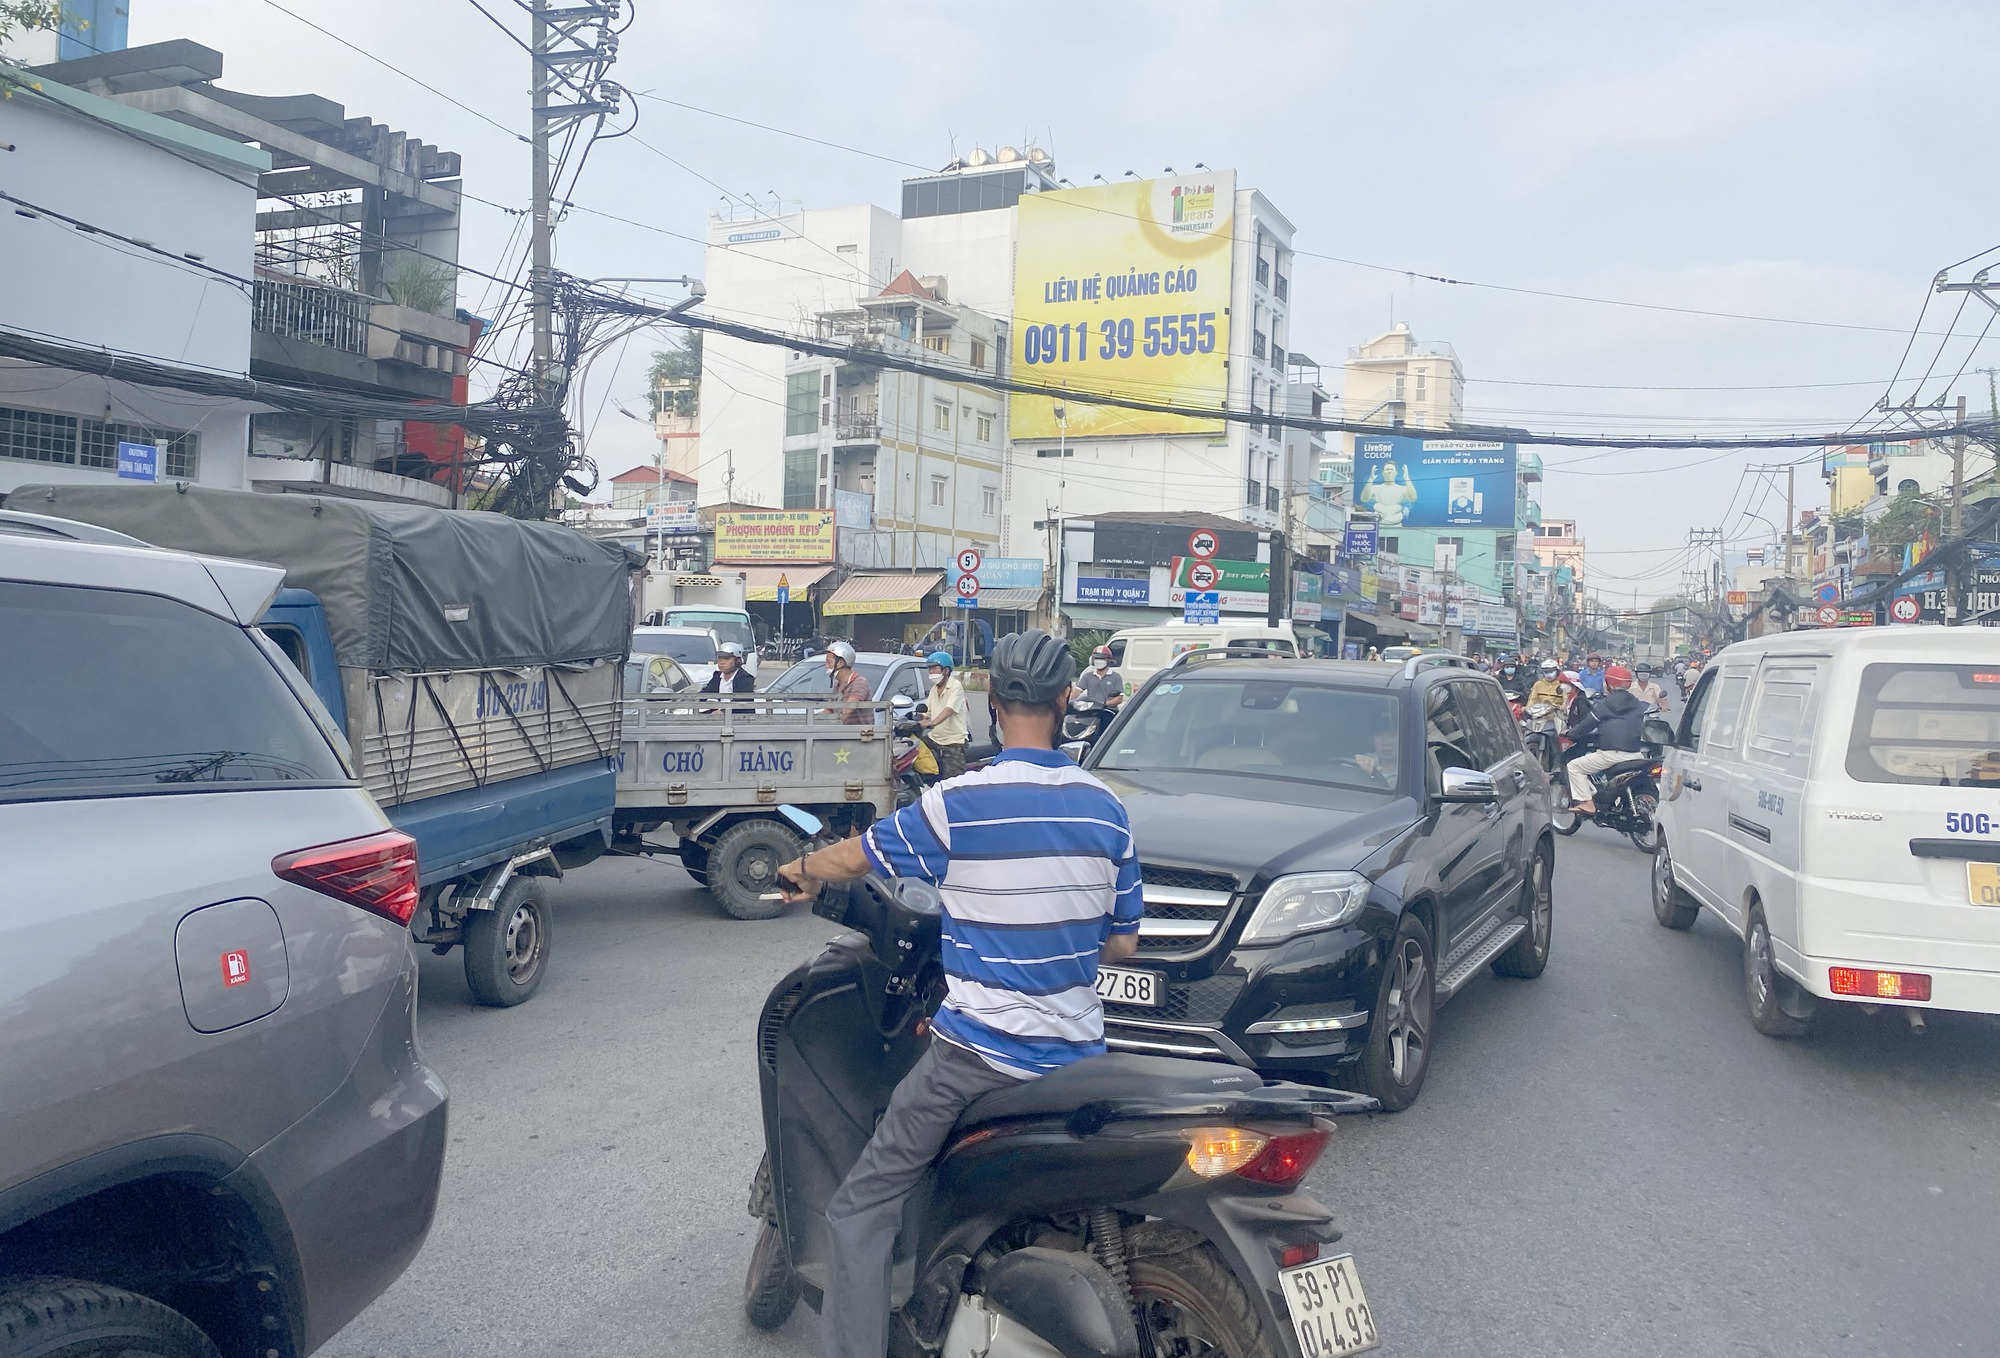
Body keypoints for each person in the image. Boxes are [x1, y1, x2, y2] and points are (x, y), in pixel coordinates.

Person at [773, 629, 1143, 1358]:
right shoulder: (1108, 809)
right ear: (1068, 701)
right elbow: (1124, 942)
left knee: (860, 1206)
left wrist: (804, 866)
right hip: (1080, 1055)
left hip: (979, 1057)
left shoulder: (960, 802)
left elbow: (860, 855)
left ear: (993, 704)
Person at [1563, 664, 1649, 815]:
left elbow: (1587, 725)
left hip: (1611, 754)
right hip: (1636, 754)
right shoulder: (1636, 703)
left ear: (1609, 683)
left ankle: (1588, 803)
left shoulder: (1604, 704)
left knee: (1574, 767)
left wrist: (1570, 733)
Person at [919, 650, 971, 780]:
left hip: (953, 743)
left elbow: (949, 709)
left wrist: (932, 723)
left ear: (946, 671)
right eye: (929, 669)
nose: (931, 672)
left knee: (952, 783)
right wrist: (916, 719)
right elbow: (928, 712)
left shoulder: (956, 686)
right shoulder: (933, 689)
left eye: (934, 668)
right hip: (934, 739)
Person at [821, 640, 873, 725]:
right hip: (842, 735)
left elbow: (847, 710)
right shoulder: (838, 685)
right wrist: (811, 720)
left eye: (829, 662)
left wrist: (831, 723)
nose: (826, 666)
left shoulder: (859, 683)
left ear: (840, 663)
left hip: (858, 735)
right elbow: (829, 710)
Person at [1077, 644, 1124, 710]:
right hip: (1091, 710)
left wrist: (1104, 703)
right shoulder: (1087, 676)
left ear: (1109, 659)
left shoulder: (1116, 677)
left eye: (1102, 658)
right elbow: (1077, 691)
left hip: (1109, 711)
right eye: (1096, 658)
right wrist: (1070, 701)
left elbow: (1119, 698)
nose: (1099, 660)